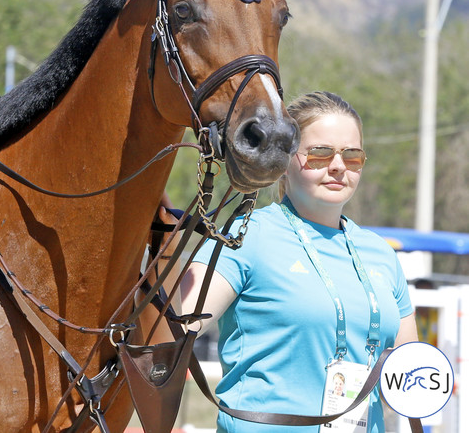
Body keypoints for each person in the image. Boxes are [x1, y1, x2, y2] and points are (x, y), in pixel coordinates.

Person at [179, 91, 418, 432]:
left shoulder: (380, 253)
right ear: (284, 161)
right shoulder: (247, 236)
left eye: (352, 156)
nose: (338, 166)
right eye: (320, 153)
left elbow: (411, 373)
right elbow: (174, 330)